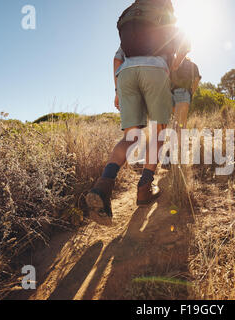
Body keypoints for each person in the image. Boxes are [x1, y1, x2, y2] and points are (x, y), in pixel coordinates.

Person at [86, 0, 189, 226]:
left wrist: (116, 91)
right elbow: (183, 43)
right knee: (161, 133)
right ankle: (144, 187)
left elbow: (116, 58)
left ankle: (103, 186)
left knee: (130, 137)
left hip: (126, 73)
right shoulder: (164, 11)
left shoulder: (129, 14)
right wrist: (172, 65)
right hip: (155, 69)